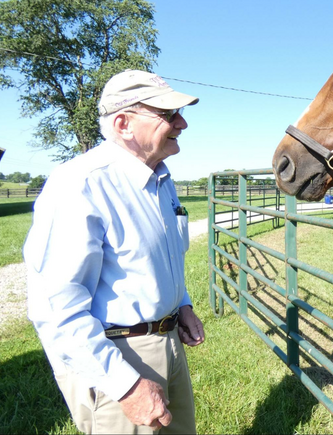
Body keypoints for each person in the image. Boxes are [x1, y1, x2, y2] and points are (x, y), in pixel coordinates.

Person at [24, 69, 205, 434]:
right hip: (117, 357)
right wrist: (125, 385)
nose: (182, 123)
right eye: (168, 115)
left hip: (168, 343)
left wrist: (181, 304)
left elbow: (158, 260)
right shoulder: (81, 185)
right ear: (123, 123)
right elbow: (54, 309)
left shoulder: (160, 179)